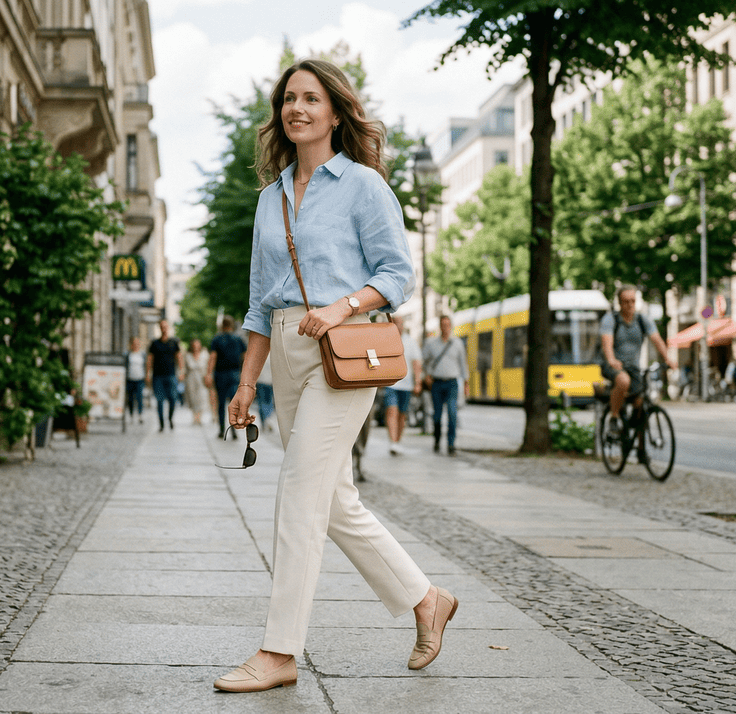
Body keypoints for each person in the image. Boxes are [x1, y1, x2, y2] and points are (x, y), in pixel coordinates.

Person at [215, 58, 456, 693]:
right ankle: (426, 598)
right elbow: (260, 305)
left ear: (334, 111)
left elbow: (397, 274)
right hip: (289, 355)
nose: (297, 109)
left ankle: (279, 651)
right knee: (335, 502)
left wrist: (343, 305)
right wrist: (245, 385)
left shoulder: (363, 186)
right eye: (288, 100)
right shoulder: (270, 200)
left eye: (310, 99)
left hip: (344, 354)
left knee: (298, 494)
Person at [600, 287, 675, 431]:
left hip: (634, 367)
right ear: (620, 303)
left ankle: (641, 450)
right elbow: (607, 344)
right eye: (626, 301)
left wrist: (668, 359)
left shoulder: (642, 320)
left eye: (632, 301)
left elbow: (657, 340)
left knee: (641, 405)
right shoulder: (611, 319)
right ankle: (614, 416)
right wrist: (611, 360)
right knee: (623, 381)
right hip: (613, 365)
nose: (630, 305)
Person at [422, 315, 468, 455]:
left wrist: (466, 383)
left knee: (452, 414)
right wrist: (426, 376)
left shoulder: (457, 343)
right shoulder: (431, 344)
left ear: (451, 326)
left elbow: (463, 364)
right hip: (436, 383)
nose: (445, 327)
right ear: (440, 326)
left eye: (448, 324)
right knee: (437, 415)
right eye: (443, 324)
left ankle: (451, 444)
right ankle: (436, 440)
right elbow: (423, 362)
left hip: (452, 383)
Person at [385, 314, 423, 455]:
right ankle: (393, 442)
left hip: (406, 385)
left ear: (403, 325)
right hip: (390, 384)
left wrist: (418, 382)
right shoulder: (386, 340)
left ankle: (398, 441)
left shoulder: (410, 342)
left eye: (399, 323)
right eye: (394, 322)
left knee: (402, 414)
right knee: (392, 411)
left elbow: (416, 363)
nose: (397, 325)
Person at [207, 316, 247, 439]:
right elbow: (245, 357)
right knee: (234, 403)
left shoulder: (217, 339)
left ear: (222, 326)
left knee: (221, 402)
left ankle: (221, 429)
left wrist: (209, 373)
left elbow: (213, 357)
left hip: (220, 374)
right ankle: (234, 430)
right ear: (232, 325)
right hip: (235, 374)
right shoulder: (239, 339)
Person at [146, 319, 182, 431]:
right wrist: (148, 373)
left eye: (165, 326)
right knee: (159, 400)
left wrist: (181, 371)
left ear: (168, 327)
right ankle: (161, 423)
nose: (164, 328)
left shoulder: (174, 342)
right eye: (162, 326)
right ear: (160, 328)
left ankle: (170, 418)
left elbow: (179, 357)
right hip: (158, 376)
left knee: (173, 399)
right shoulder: (154, 343)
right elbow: (150, 359)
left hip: (171, 375)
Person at [183, 338, 211, 425]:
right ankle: (194, 416)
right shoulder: (187, 355)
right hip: (191, 379)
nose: (195, 347)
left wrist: (208, 376)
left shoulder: (205, 354)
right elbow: (185, 369)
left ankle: (200, 417)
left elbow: (208, 366)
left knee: (202, 397)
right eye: (194, 345)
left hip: (202, 378)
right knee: (192, 397)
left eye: (197, 345)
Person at [124, 337, 145, 424]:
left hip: (140, 379)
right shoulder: (128, 354)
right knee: (131, 399)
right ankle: (131, 415)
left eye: (137, 343)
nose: (135, 345)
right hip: (130, 379)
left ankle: (140, 415)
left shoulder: (142, 354)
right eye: (134, 343)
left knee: (140, 398)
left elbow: (145, 365)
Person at [254, 356, 276, 432]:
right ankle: (268, 419)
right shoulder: (273, 355)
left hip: (261, 382)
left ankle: (264, 421)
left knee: (261, 402)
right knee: (269, 401)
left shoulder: (260, 355)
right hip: (270, 382)